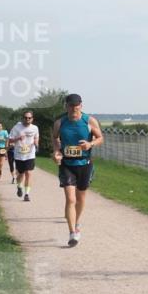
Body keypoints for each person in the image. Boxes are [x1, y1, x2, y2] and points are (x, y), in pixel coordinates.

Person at [52, 93, 104, 247]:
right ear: (66, 106)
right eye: (71, 105)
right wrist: (57, 152)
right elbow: (55, 138)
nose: (74, 108)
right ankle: (72, 232)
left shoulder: (89, 121)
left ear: (81, 105)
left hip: (84, 164)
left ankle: (77, 222)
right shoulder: (60, 123)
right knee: (70, 199)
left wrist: (90, 144)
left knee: (80, 199)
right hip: (67, 164)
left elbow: (100, 138)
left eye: (77, 105)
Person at [9, 111, 40, 202]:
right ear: (23, 118)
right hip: (19, 155)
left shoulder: (35, 128)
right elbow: (10, 140)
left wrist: (36, 143)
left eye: (29, 118)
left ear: (32, 119)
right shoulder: (16, 128)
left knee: (29, 173)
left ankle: (27, 194)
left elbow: (36, 137)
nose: (27, 119)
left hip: (30, 154)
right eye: (26, 118)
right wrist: (18, 138)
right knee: (21, 174)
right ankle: (19, 186)